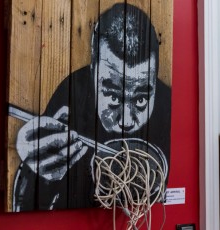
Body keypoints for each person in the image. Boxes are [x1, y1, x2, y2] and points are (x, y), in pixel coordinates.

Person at [12, 3, 171, 211]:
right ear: (93, 70)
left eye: (141, 100)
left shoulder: (167, 104)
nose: (125, 120)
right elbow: (28, 203)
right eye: (113, 97)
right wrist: (33, 174)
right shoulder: (73, 94)